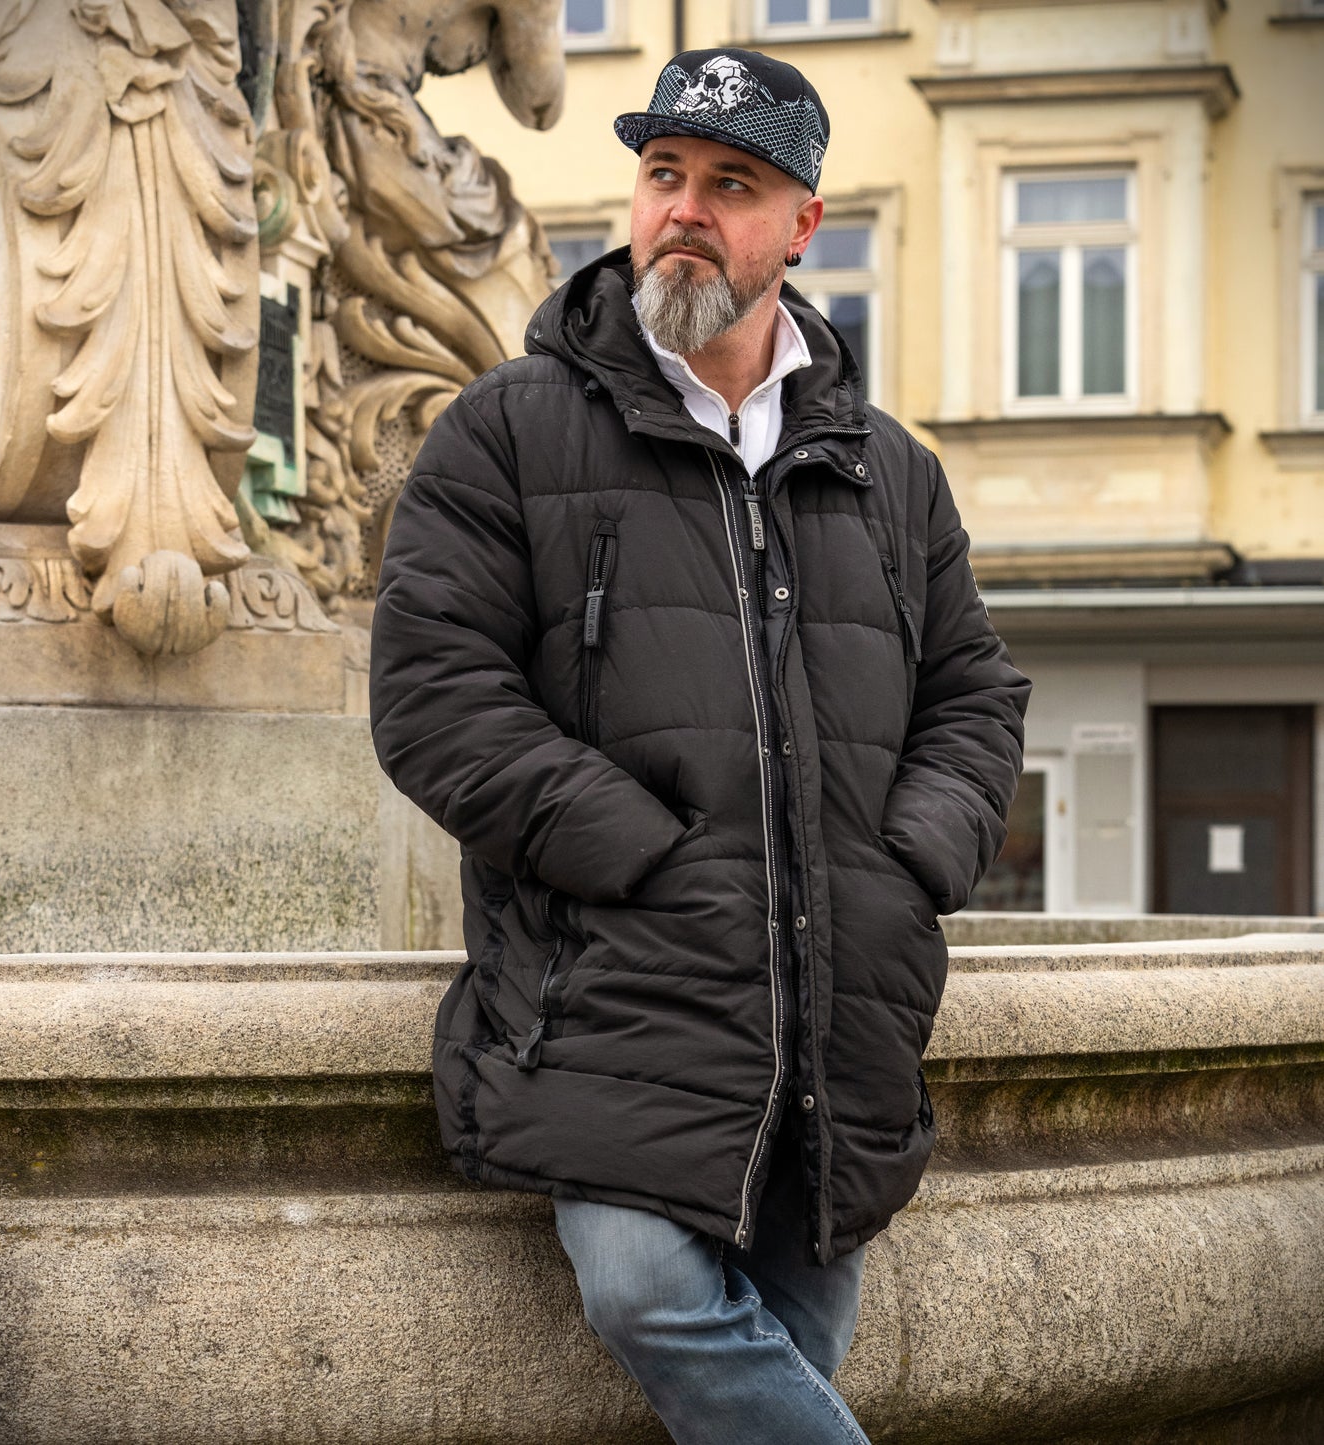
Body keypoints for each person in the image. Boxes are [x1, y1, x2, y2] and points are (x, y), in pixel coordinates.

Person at [369, 47, 1029, 1444]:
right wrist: (643, 853)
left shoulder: (889, 470)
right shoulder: (507, 431)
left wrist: (905, 863)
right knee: (648, 1290)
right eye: (663, 173)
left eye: (731, 184)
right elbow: (435, 694)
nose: (682, 208)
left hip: (841, 1011)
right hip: (615, 983)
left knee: (795, 1349)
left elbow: (975, 694)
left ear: (802, 225)